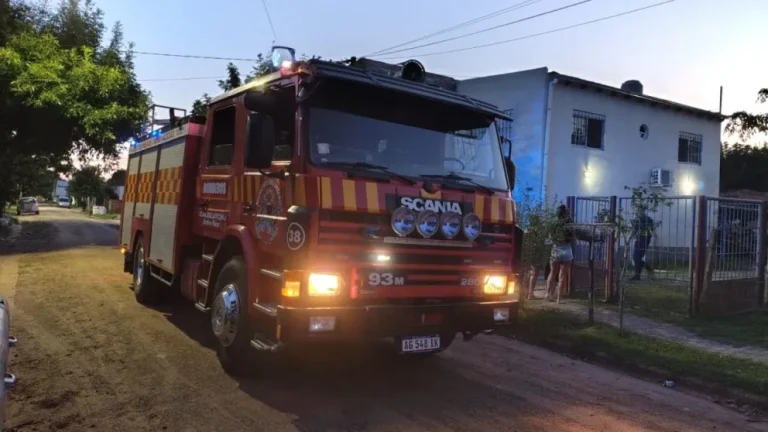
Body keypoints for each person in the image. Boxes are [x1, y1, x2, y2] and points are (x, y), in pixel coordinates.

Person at [546, 205, 574, 302]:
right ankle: (559, 298)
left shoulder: (554, 223)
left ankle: (548, 295)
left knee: (552, 273)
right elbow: (572, 236)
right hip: (566, 249)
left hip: (556, 249)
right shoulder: (569, 223)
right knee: (562, 275)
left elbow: (550, 237)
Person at [630, 210, 655, 281]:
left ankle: (639, 274)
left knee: (636, 257)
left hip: (644, 241)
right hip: (639, 240)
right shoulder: (639, 220)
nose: (637, 213)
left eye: (638, 211)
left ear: (642, 211)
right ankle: (644, 270)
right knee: (636, 258)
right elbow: (635, 230)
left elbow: (650, 231)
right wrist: (630, 237)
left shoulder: (648, 220)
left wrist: (631, 237)